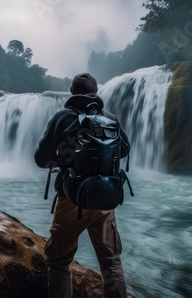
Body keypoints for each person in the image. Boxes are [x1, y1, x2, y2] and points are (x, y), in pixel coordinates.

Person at [34, 73, 130, 298]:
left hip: (71, 199)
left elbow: (41, 159)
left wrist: (64, 160)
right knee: (111, 262)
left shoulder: (62, 117)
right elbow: (124, 149)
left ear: (71, 92)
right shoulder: (109, 117)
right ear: (96, 92)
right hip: (105, 199)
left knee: (58, 263)